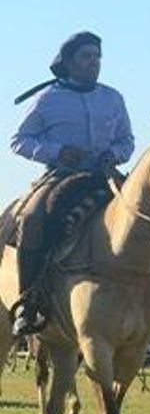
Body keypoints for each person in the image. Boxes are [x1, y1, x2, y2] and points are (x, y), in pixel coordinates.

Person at [8, 31, 134, 335]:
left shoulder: (112, 98)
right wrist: (57, 152)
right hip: (62, 177)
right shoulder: (48, 99)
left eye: (97, 57)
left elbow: (126, 141)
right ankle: (29, 302)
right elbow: (18, 141)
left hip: (103, 176)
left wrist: (113, 154)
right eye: (86, 57)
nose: (94, 63)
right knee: (34, 217)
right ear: (69, 62)